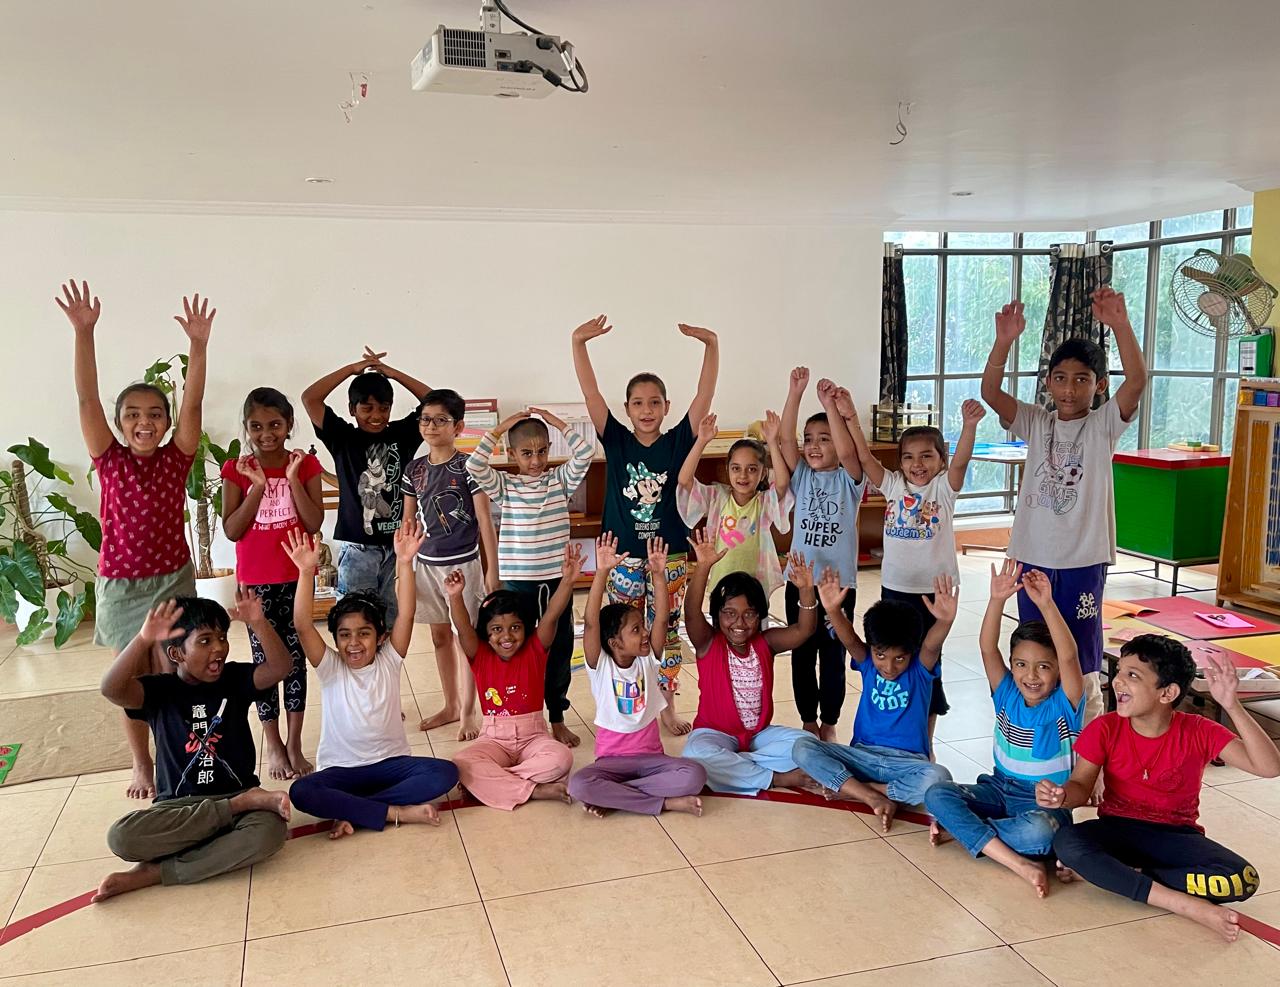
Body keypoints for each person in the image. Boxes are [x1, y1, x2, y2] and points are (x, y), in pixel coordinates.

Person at [58, 278, 213, 800]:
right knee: (130, 676)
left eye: (154, 414)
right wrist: (85, 332)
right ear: (121, 425)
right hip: (122, 585)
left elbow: (193, 407)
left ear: (166, 423)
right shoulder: (109, 458)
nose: (144, 422)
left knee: (178, 670)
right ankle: (141, 763)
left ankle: (183, 749)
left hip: (172, 577)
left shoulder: (177, 456)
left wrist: (198, 346)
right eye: (133, 415)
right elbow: (86, 398)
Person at [980, 287, 1147, 724]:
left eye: (1081, 379)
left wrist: (1122, 326)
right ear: (1048, 382)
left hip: (1081, 561)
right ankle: (1037, 724)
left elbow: (1138, 381)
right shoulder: (1037, 421)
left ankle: (1088, 727)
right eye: (1060, 378)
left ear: (1099, 384)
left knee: (1082, 650)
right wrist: (1004, 342)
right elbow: (991, 392)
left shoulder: (1103, 424)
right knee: (1035, 647)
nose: (1069, 389)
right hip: (1033, 558)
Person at [1043, 636, 1280, 942]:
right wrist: (1062, 796)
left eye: (1133, 675)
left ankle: (1118, 874)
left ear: (1167, 693)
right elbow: (1079, 786)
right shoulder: (1105, 728)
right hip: (1118, 829)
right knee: (1067, 841)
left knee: (1241, 880)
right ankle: (1185, 905)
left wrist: (1231, 705)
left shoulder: (1198, 730)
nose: (1118, 682)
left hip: (1174, 837)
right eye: (1120, 672)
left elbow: (1269, 767)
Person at [572, 314, 720, 734]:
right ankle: (629, 700)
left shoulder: (677, 442)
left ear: (667, 407)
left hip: (669, 556)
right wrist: (579, 344)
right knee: (626, 633)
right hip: (622, 558)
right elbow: (590, 390)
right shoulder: (616, 440)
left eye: (655, 402)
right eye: (638, 403)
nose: (647, 410)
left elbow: (704, 395)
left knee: (666, 634)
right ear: (627, 409)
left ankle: (666, 705)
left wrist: (711, 345)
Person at [93, 592, 293, 901]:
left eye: (222, 638)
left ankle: (158, 872)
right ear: (176, 654)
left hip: (240, 794)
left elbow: (280, 667)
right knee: (121, 837)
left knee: (269, 833)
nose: (219, 649)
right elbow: (111, 688)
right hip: (179, 805)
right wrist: (144, 638)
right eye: (205, 641)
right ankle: (215, 831)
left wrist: (258, 622)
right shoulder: (158, 691)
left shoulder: (235, 678)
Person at [282, 520, 460, 839]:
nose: (354, 643)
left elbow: (405, 613)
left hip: (391, 766)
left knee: (444, 773)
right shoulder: (330, 666)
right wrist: (305, 572)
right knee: (301, 792)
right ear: (335, 640)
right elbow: (302, 625)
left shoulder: (389, 659)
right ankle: (393, 812)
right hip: (342, 771)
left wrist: (404, 562)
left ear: (380, 638)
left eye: (364, 634)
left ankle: (355, 809)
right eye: (345, 635)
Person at [925, 561, 1084, 897]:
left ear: (1057, 672)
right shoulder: (1007, 693)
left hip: (1043, 806)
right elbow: (986, 647)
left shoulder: (1065, 705)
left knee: (1040, 833)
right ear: (1011, 666)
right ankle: (1017, 861)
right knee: (936, 794)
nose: (1031, 675)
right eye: (1021, 665)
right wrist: (996, 599)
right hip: (997, 790)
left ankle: (968, 833)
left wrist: (1046, 605)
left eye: (1044, 667)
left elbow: (1070, 658)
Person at [842, 387, 983, 742]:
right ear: (899, 461)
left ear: (941, 460)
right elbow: (865, 457)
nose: (917, 465)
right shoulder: (892, 485)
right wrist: (852, 421)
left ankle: (926, 738)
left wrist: (969, 426)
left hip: (934, 594)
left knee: (927, 662)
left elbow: (963, 462)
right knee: (894, 656)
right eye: (908, 458)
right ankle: (890, 726)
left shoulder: (943, 489)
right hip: (895, 588)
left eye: (926, 457)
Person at [467, 407, 594, 748]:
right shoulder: (506, 485)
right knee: (520, 652)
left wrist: (556, 423)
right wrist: (502, 427)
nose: (535, 460)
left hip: (556, 581)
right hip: (517, 584)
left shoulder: (560, 480)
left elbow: (585, 451)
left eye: (541, 451)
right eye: (526, 453)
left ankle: (556, 716)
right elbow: (474, 465)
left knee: (558, 649)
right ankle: (521, 715)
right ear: (512, 455)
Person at [791, 575, 958, 832]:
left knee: (939, 778)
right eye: (881, 655)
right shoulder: (868, 663)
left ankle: (859, 790)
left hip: (906, 763)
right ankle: (872, 796)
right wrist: (833, 609)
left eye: (899, 658)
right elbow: (848, 639)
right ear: (871, 649)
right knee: (802, 747)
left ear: (912, 652)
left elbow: (932, 645)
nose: (889, 667)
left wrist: (945, 620)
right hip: (862, 756)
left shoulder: (920, 670)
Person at [220, 387, 325, 781]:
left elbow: (313, 523)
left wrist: (293, 478)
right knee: (265, 663)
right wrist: (259, 487)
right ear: (246, 427)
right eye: (256, 426)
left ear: (289, 426)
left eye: (275, 425)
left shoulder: (306, 465)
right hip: (256, 584)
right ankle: (273, 743)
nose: (267, 433)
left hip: (296, 577)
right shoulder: (236, 469)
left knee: (296, 660)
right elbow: (232, 529)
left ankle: (295, 742)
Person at [568, 534, 707, 818]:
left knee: (695, 775)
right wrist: (603, 570)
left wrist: (658, 576)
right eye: (635, 631)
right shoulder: (600, 666)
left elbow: (662, 618)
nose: (645, 634)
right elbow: (592, 622)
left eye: (642, 628)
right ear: (614, 643)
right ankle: (663, 802)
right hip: (610, 762)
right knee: (578, 785)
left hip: (652, 760)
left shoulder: (649, 659)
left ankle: (619, 796)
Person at [679, 530, 824, 797]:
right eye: (729, 614)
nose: (739, 623)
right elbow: (690, 613)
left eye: (749, 615)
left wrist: (806, 590)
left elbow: (805, 630)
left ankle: (739, 769)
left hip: (758, 738)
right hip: (714, 734)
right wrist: (703, 568)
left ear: (760, 616)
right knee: (695, 755)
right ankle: (777, 778)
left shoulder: (765, 642)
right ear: (716, 616)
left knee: (808, 744)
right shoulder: (708, 643)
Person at [446, 545, 585, 810]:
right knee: (461, 764)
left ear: (527, 629)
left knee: (561, 758)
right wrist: (455, 597)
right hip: (493, 738)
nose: (506, 636)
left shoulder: (536, 648)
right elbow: (463, 628)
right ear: (486, 634)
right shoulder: (480, 654)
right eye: (496, 629)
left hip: (534, 737)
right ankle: (533, 789)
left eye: (515, 628)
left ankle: (495, 783)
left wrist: (567, 582)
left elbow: (552, 615)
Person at [301, 347, 429, 623]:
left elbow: (434, 401)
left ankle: (383, 667)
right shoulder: (342, 437)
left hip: (397, 548)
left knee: (389, 622)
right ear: (351, 409)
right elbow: (310, 398)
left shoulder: (403, 434)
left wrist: (394, 374)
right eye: (366, 408)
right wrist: (351, 369)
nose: (376, 415)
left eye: (384, 408)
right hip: (357, 549)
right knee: (356, 622)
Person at [401, 387, 499, 741]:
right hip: (427, 566)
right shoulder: (414, 470)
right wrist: (405, 563)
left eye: (441, 420)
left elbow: (485, 521)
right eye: (425, 419)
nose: (431, 426)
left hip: (465, 565)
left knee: (465, 638)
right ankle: (451, 704)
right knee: (440, 636)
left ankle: (470, 710)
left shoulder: (470, 466)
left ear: (458, 427)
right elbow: (408, 522)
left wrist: (492, 570)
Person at [778, 370, 866, 741]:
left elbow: (848, 452)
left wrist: (831, 406)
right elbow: (784, 439)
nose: (813, 446)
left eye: (824, 439)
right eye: (809, 440)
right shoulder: (802, 477)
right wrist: (795, 392)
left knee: (832, 658)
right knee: (801, 653)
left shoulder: (851, 480)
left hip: (838, 586)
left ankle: (829, 720)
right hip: (800, 584)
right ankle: (807, 719)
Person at [676, 409, 793, 599]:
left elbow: (782, 484)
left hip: (756, 582)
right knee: (722, 623)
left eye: (752, 469)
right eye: (736, 468)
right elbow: (684, 480)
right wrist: (701, 441)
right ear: (728, 470)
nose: (743, 475)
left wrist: (772, 442)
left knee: (754, 625)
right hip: (722, 579)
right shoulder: (718, 497)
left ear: (763, 474)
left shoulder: (764, 503)